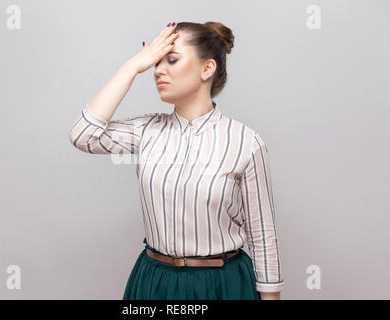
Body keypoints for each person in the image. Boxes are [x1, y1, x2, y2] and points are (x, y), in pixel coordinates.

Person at [69, 21, 284, 300]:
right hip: (154, 281)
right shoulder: (147, 130)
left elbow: (263, 235)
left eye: (172, 60)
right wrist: (133, 67)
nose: (158, 70)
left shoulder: (245, 141)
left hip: (223, 283)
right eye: (156, 62)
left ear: (207, 69)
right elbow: (83, 135)